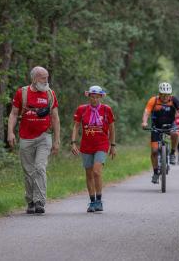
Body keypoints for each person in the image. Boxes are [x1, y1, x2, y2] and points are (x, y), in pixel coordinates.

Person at [7, 66, 60, 214]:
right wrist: (10, 132)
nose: (46, 80)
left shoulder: (50, 94)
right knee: (29, 171)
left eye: (47, 77)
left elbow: (55, 118)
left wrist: (56, 140)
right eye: (43, 78)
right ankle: (30, 201)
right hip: (26, 138)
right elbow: (13, 114)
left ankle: (40, 202)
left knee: (40, 167)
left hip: (44, 136)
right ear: (34, 78)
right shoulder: (22, 93)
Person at [71, 86, 116, 212]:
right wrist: (73, 142)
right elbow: (76, 126)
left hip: (101, 145)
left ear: (101, 97)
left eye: (97, 97)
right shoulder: (82, 109)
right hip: (86, 146)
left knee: (97, 171)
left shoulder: (106, 110)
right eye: (92, 97)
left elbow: (112, 128)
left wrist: (113, 145)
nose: (94, 99)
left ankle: (99, 200)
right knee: (89, 173)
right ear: (89, 97)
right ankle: (92, 202)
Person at [142, 82, 179, 184]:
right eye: (163, 94)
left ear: (170, 94)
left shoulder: (174, 100)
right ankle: (156, 172)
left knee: (175, 133)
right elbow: (147, 112)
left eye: (167, 95)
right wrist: (144, 122)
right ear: (159, 94)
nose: (165, 97)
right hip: (156, 127)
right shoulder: (154, 100)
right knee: (154, 151)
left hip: (170, 125)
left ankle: (173, 152)